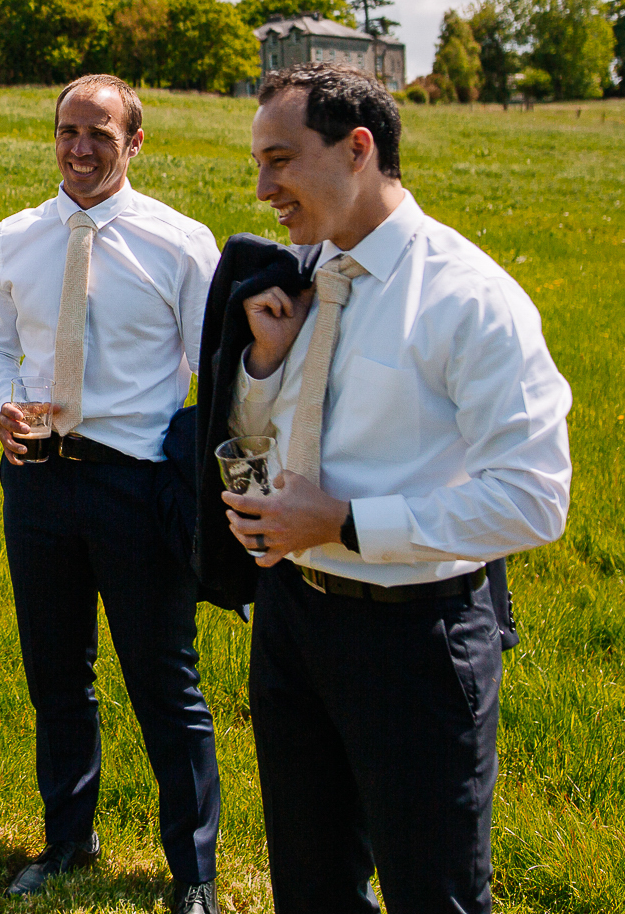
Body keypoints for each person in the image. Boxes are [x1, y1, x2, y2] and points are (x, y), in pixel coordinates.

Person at [218, 64, 570, 913]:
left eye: (281, 160)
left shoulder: (470, 298)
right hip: (292, 624)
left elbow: (533, 497)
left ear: (359, 149)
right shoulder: (302, 277)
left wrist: (342, 522)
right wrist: (263, 368)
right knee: (310, 886)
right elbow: (263, 432)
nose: (263, 188)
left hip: (414, 640)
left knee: (433, 893)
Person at [0, 74, 222, 914]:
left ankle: (193, 871)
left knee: (164, 679)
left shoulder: (182, 245)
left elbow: (216, 374)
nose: (79, 149)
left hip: (137, 483)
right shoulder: (15, 236)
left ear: (135, 144)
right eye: (68, 131)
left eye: (100, 136)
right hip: (38, 479)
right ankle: (68, 841)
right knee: (56, 673)